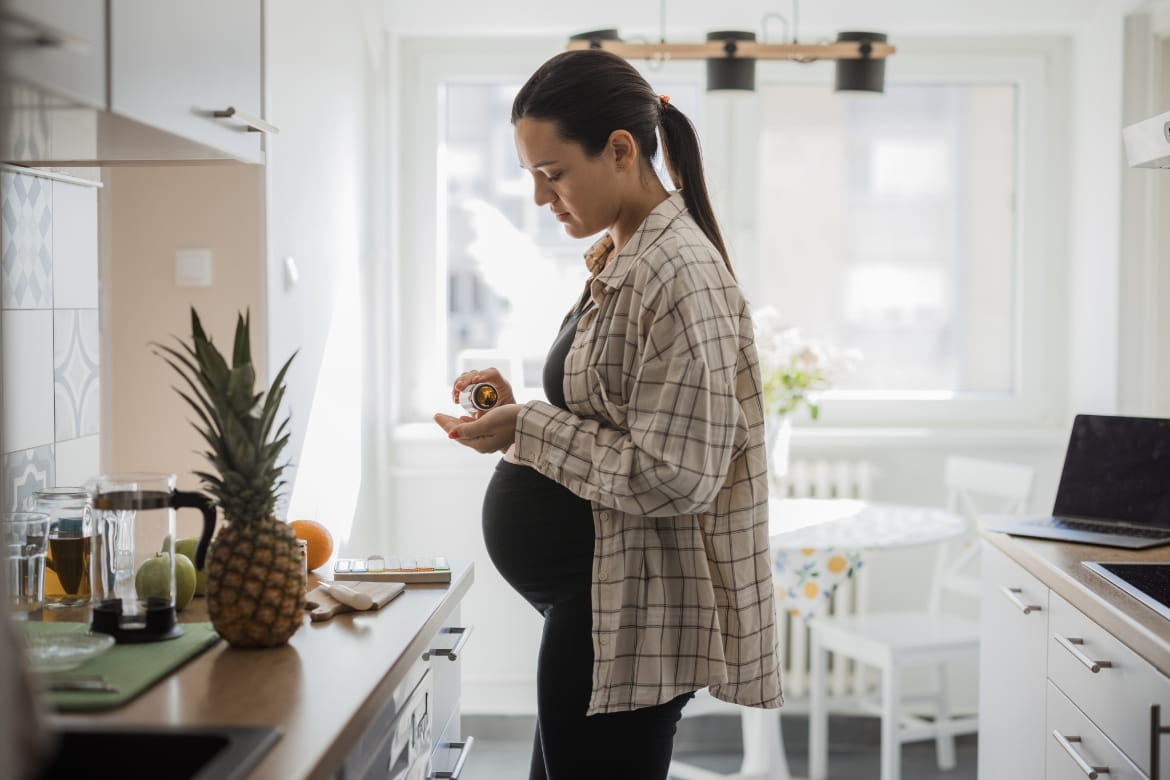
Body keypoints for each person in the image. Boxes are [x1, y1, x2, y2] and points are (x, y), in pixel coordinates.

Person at [434, 48, 782, 780]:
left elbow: (676, 474)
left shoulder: (676, 271)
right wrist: (518, 404)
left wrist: (527, 426)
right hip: (604, 606)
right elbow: (614, 411)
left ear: (620, 150)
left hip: (631, 612)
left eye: (552, 174)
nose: (538, 198)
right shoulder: (625, 255)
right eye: (531, 176)